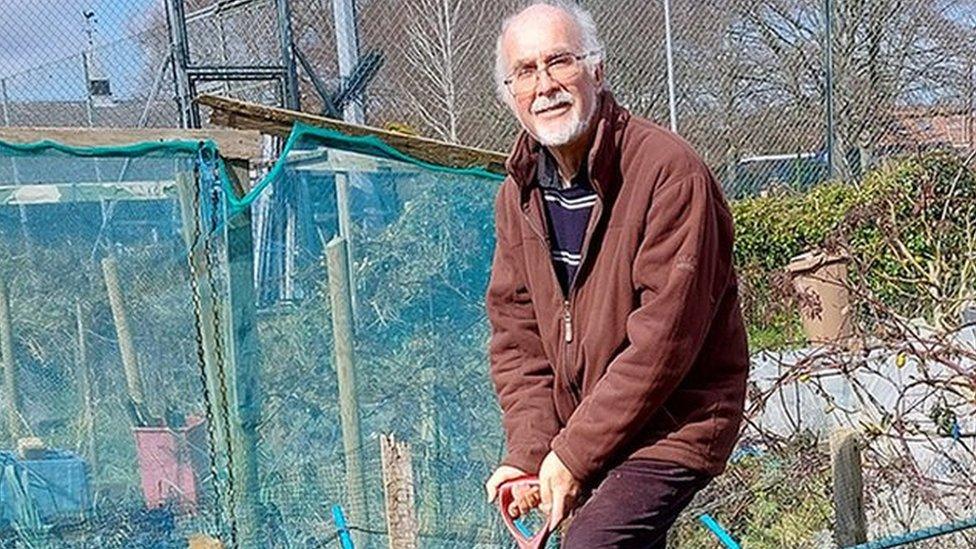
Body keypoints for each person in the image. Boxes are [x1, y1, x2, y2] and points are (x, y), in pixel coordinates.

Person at [482, 2, 750, 547]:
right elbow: (519, 342)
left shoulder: (668, 173)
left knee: (591, 543)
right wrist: (530, 453)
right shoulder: (517, 197)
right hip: (588, 425)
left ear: (596, 71)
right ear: (510, 94)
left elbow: (663, 344)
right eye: (525, 72)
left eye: (560, 62)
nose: (545, 86)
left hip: (675, 419)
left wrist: (573, 454)